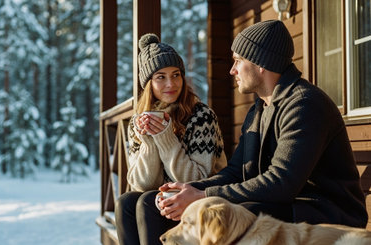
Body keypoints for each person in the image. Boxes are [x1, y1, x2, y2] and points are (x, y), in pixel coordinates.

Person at [143, 20, 368, 244]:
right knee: (146, 203)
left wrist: (203, 197)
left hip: (325, 212)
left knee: (237, 217)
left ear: (260, 63)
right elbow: (236, 172)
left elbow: (281, 183)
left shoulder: (305, 104)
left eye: (238, 61)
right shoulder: (259, 110)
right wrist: (190, 189)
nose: (232, 71)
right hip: (286, 205)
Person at [115, 33, 227, 245]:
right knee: (126, 202)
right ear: (148, 83)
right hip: (165, 204)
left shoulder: (201, 116)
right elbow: (142, 184)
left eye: (176, 75)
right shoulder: (138, 122)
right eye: (161, 77)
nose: (171, 83)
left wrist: (165, 138)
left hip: (203, 201)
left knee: (148, 202)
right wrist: (149, 141)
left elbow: (198, 179)